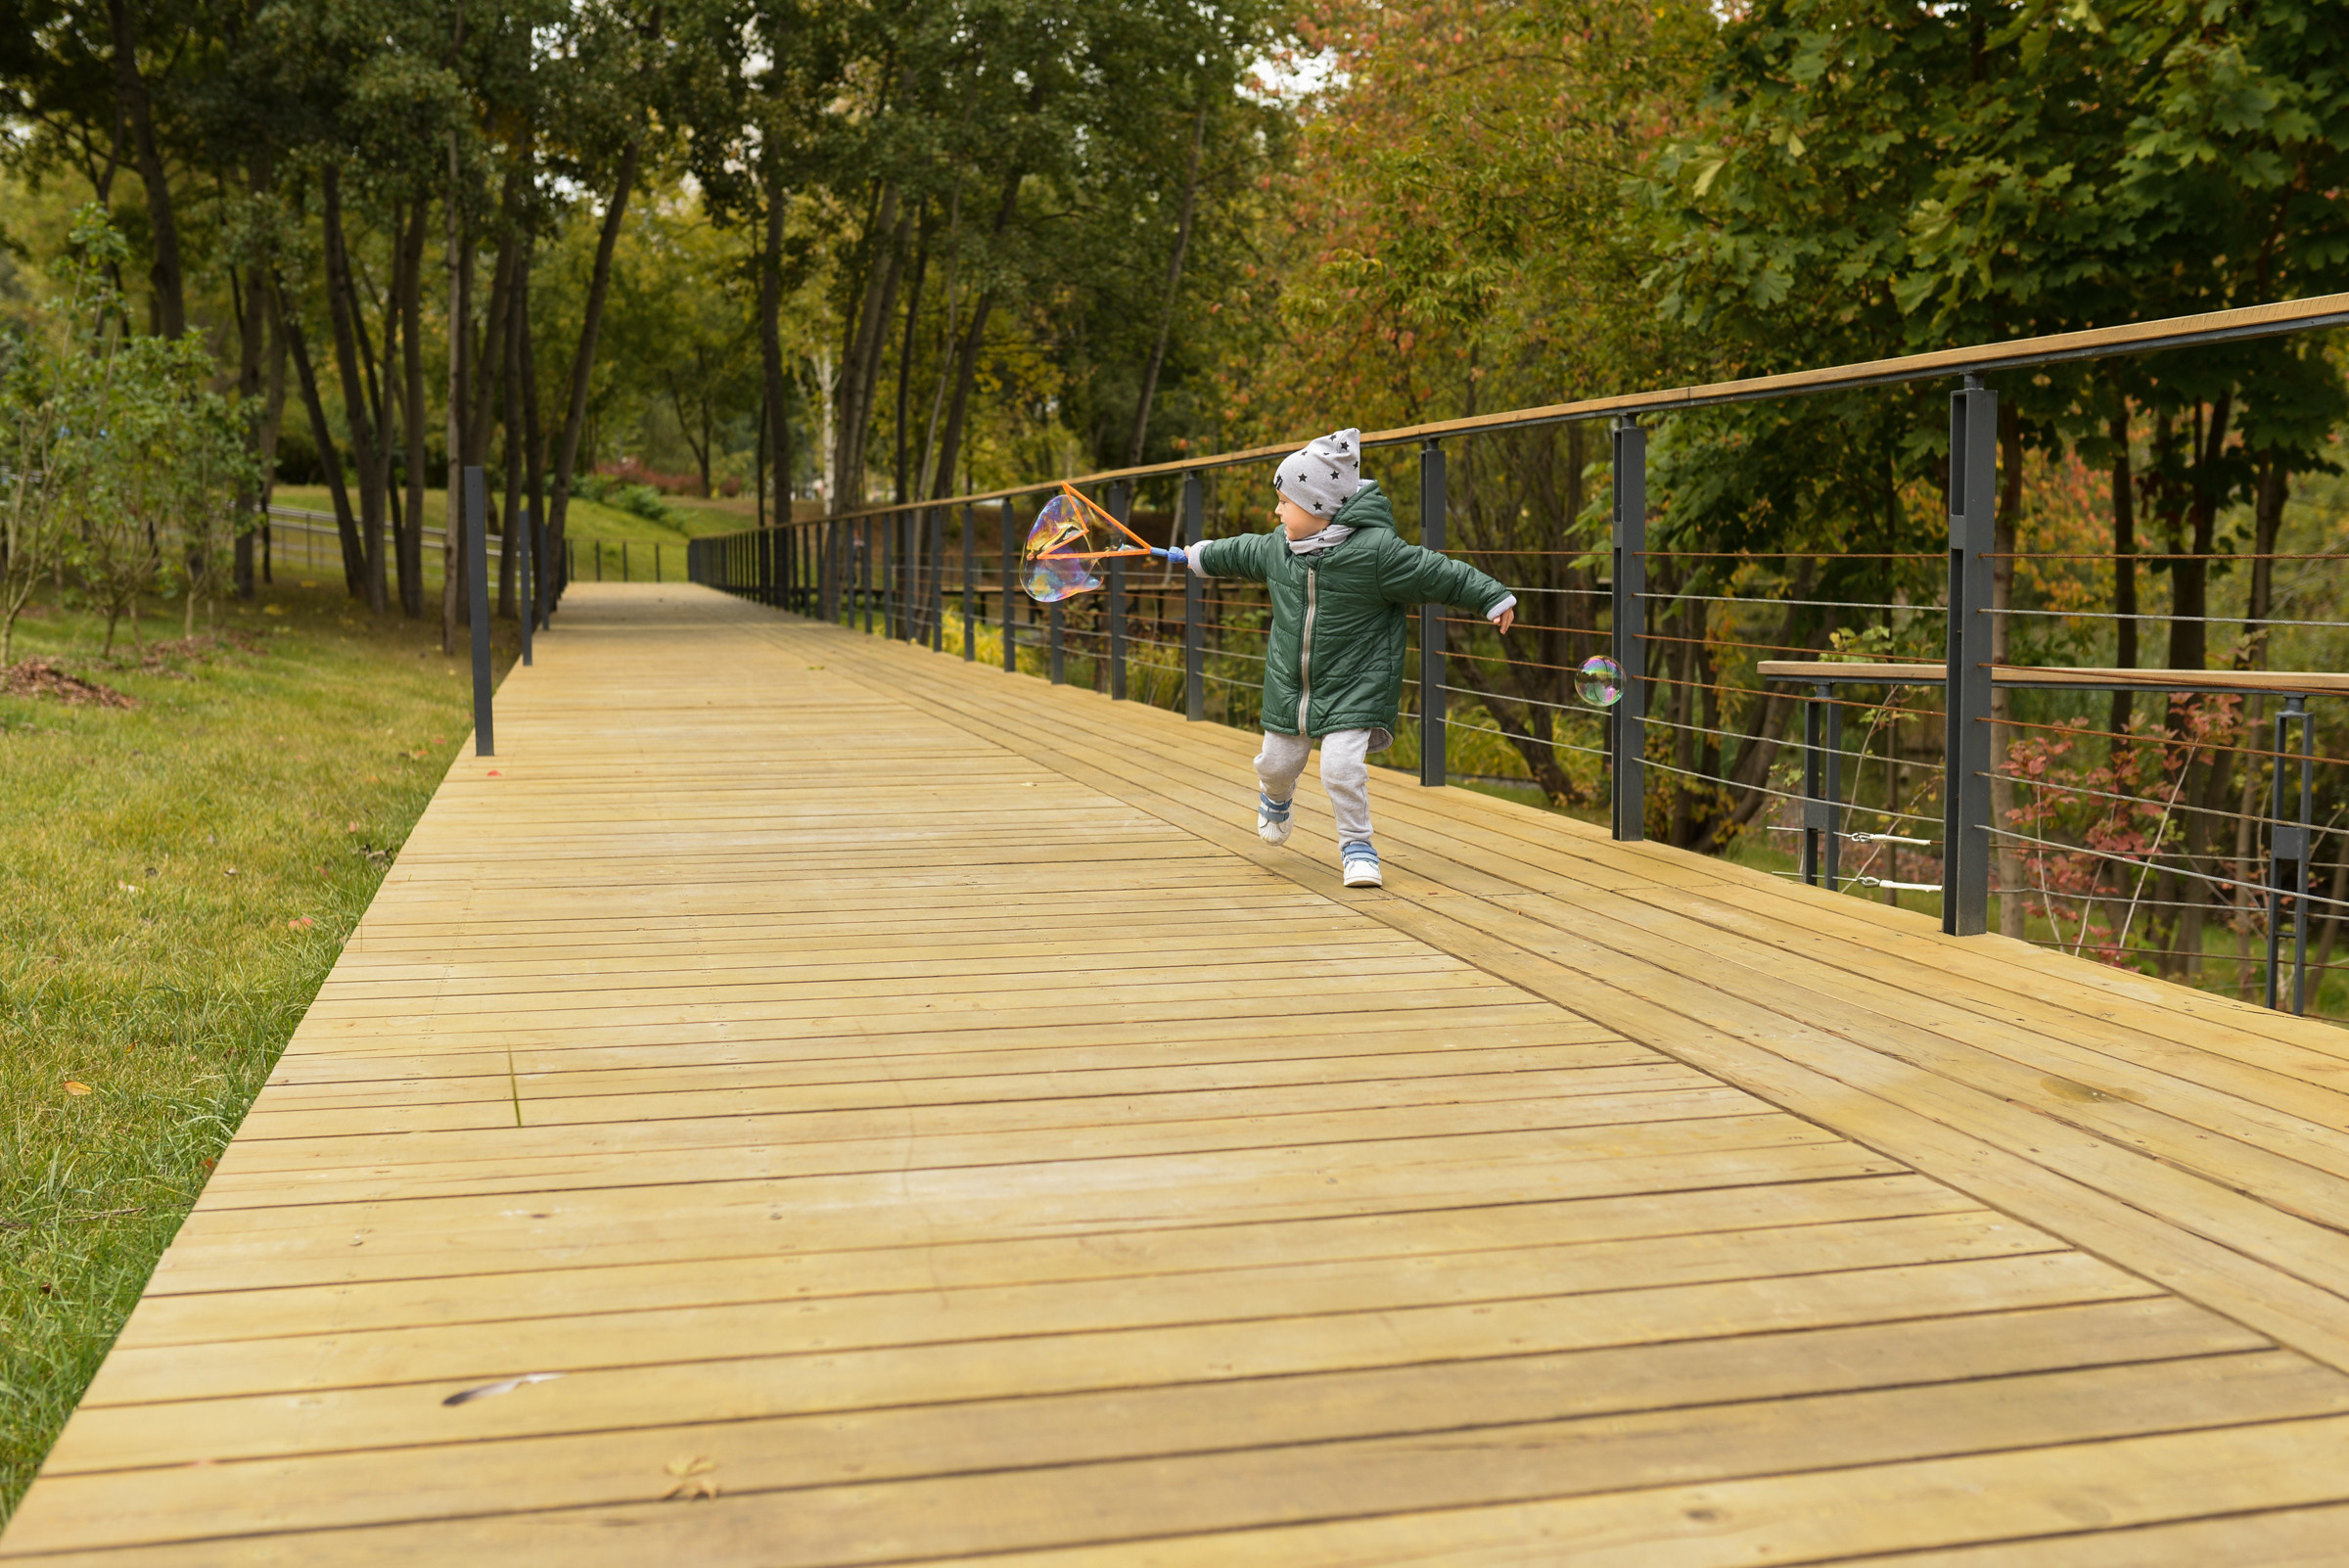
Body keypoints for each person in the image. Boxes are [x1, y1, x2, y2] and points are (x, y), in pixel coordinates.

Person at [1181, 428, 1515, 888]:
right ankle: (1275, 796)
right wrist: (1198, 555)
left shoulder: (1378, 554)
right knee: (1275, 765)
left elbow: (1439, 573)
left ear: (1318, 506)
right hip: (1290, 687)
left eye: (1285, 501)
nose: (1277, 510)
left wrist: (1492, 597)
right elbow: (1237, 551)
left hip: (1356, 685)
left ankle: (1358, 847)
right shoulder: (1279, 548)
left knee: (1340, 769)